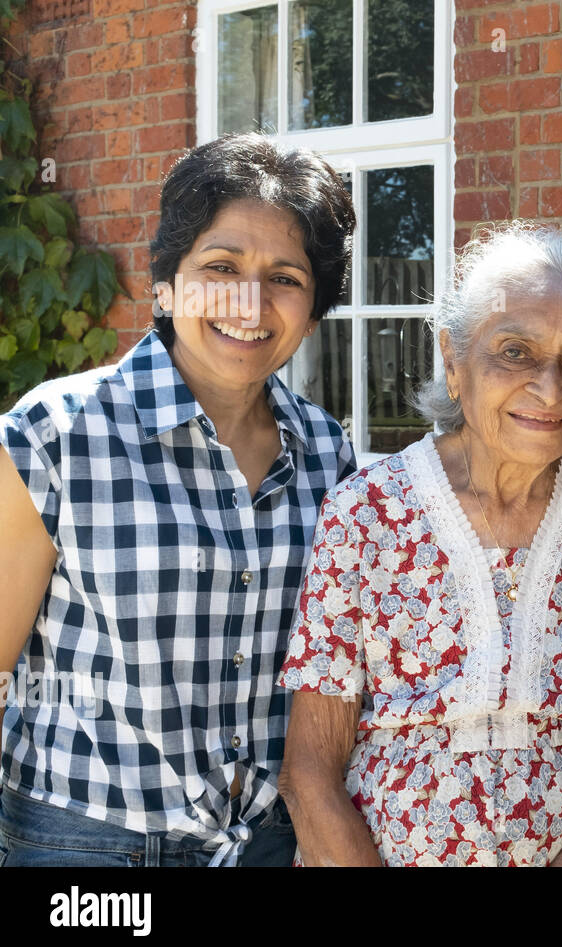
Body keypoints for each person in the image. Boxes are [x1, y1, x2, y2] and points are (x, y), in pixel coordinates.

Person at [277, 222, 562, 866]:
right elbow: (309, 770)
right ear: (453, 357)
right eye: (516, 352)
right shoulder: (365, 512)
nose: (549, 389)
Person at [0, 133, 357, 866]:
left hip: (269, 843)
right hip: (86, 844)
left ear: (315, 306)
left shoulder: (330, 456)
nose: (247, 302)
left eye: (285, 277)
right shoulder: (54, 434)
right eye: (220, 267)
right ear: (168, 282)